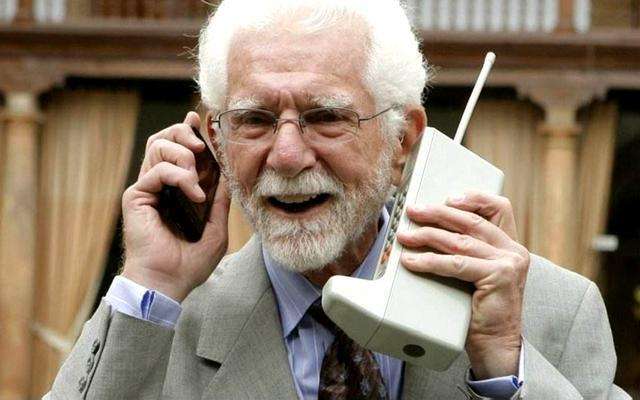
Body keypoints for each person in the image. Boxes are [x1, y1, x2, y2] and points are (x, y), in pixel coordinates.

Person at [47, 1, 629, 399]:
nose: (286, 155)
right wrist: (151, 281)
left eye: (325, 116)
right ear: (216, 143)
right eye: (255, 119)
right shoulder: (162, 322)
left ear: (403, 141)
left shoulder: (550, 315)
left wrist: (502, 367)